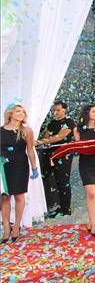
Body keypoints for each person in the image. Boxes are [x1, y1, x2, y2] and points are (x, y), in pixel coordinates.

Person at [1, 104, 39, 243]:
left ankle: (16, 226)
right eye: (18, 111)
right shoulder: (1, 131)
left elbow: (30, 150)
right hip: (4, 167)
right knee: (5, 197)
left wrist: (34, 167)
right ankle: (6, 227)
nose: (21, 113)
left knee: (19, 196)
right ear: (10, 113)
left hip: (20, 166)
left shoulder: (26, 131)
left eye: (23, 111)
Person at [73, 105, 95, 237]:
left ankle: (91, 220)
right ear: (87, 113)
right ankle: (94, 225)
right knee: (91, 193)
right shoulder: (77, 130)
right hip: (85, 163)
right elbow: (77, 147)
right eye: (93, 111)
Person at [36, 101, 76, 217]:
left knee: (63, 181)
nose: (55, 112)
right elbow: (46, 135)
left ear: (65, 110)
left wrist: (42, 141)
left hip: (63, 154)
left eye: (58, 110)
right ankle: (56, 206)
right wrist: (45, 140)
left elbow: (59, 137)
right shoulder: (52, 122)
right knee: (51, 180)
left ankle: (66, 209)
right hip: (49, 155)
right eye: (54, 110)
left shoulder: (69, 122)